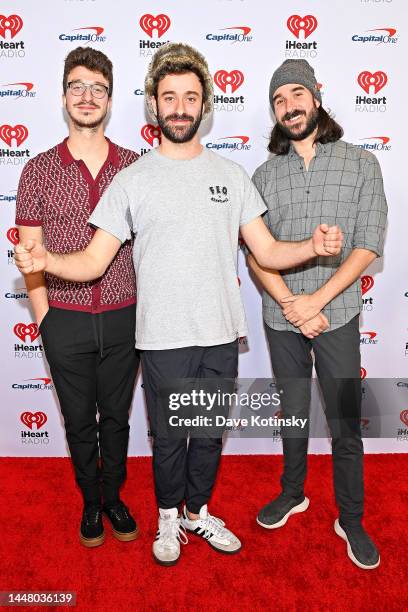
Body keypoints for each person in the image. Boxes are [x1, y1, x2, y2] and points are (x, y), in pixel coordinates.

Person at [15, 43, 343, 566]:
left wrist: (310, 247)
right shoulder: (131, 179)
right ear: (153, 106)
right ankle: (168, 517)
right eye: (169, 97)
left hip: (219, 333)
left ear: (205, 104)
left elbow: (267, 250)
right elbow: (94, 262)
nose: (180, 107)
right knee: (168, 438)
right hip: (161, 337)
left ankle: (197, 511)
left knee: (209, 435)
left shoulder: (232, 175)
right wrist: (46, 257)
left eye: (191, 97)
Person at [248, 59, 387, 570]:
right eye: (279, 100)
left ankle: (350, 516)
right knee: (292, 412)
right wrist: (291, 304)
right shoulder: (263, 175)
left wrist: (317, 302)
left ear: (316, 96)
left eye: (296, 95)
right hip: (282, 316)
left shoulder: (360, 163)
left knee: (345, 420)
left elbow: (368, 244)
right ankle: (293, 492)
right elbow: (257, 253)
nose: (289, 107)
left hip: (338, 314)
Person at [15, 47, 140, 548]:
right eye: (78, 86)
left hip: (124, 316)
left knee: (116, 417)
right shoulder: (38, 169)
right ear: (64, 95)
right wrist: (45, 320)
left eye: (98, 88)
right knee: (78, 423)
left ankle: (113, 497)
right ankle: (90, 502)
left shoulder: (134, 167)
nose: (87, 97)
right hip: (63, 317)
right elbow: (30, 253)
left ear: (110, 99)